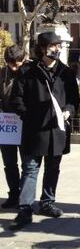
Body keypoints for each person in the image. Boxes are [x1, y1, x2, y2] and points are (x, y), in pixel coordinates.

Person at [9, 32, 80, 230]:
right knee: (30, 170)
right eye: (53, 46)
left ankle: (47, 202)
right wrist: (29, 116)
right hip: (34, 131)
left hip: (57, 132)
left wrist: (68, 112)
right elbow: (16, 99)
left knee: (53, 168)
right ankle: (24, 209)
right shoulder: (27, 71)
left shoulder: (65, 73)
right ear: (41, 48)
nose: (57, 49)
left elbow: (74, 99)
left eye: (59, 45)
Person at [0, 45, 27, 209]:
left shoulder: (31, 72)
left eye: (18, 64)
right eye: (11, 65)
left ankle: (25, 196)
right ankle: (13, 194)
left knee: (27, 164)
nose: (15, 68)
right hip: (6, 124)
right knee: (9, 163)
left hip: (25, 124)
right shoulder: (2, 74)